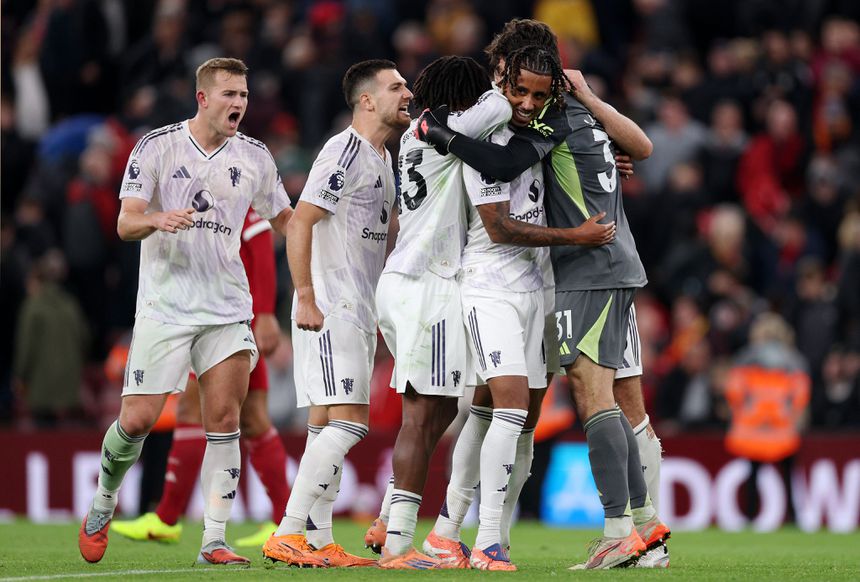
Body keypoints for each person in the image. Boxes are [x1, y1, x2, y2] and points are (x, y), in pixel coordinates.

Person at [417, 19, 670, 569]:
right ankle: (642, 529)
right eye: (521, 88)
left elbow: (504, 163)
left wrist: (438, 133)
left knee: (594, 396)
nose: (528, 101)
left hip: (584, 269)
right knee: (590, 402)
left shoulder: (554, 116)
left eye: (541, 87)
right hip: (584, 271)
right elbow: (638, 146)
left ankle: (626, 528)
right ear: (502, 72)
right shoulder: (564, 115)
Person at [77, 57, 293, 567]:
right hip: (166, 307)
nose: (239, 103)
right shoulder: (157, 147)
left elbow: (284, 219)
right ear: (202, 98)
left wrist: (323, 234)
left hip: (226, 309)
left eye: (244, 95)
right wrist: (156, 219)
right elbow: (125, 224)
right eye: (229, 94)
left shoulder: (255, 156)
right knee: (137, 420)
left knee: (225, 419)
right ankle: (104, 500)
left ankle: (213, 540)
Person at [261, 59, 409, 569]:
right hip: (331, 304)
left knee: (325, 425)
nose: (407, 93)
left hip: (357, 307)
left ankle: (320, 540)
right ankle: (288, 531)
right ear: (366, 100)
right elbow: (301, 222)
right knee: (349, 423)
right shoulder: (343, 151)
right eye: (396, 87)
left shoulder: (384, 158)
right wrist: (305, 296)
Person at [109, 208, 290, 548]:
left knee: (196, 411)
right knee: (253, 420)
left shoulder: (239, 198)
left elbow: (262, 247)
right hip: (221, 316)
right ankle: (285, 519)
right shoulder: (214, 200)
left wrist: (265, 314)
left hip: (229, 321)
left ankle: (167, 518)